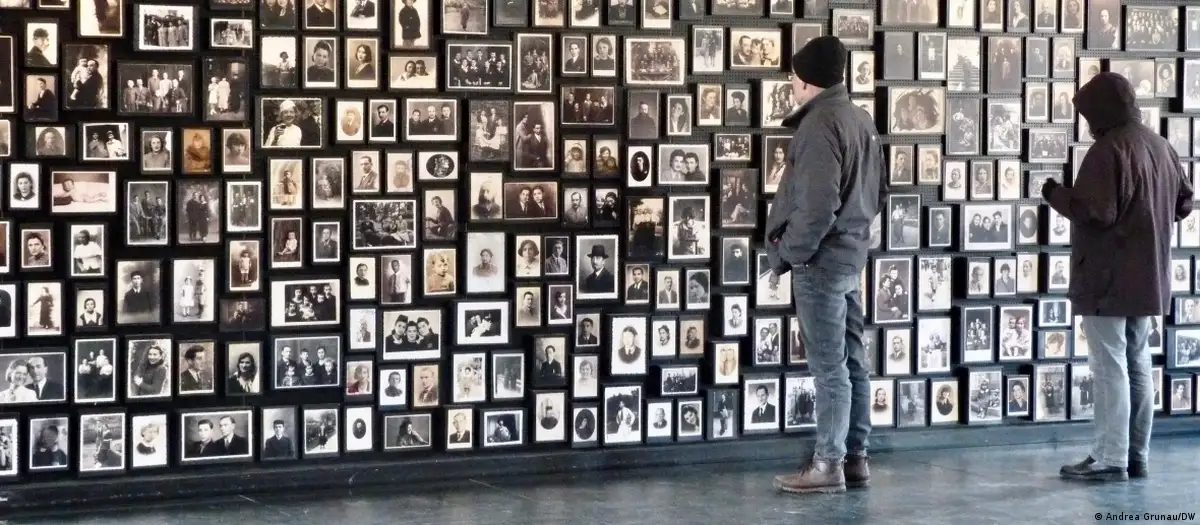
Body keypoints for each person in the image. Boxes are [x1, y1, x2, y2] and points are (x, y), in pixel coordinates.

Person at [1045, 73, 1193, 482]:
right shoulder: (1160, 146)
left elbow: (1096, 212)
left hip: (1106, 280)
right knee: (1138, 363)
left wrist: (1054, 193)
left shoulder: (1107, 150)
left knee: (1110, 367)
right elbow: (1185, 202)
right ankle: (1135, 455)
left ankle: (1111, 459)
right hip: (1149, 278)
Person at [766, 37, 887, 495]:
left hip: (821, 263)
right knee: (852, 361)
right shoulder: (859, 119)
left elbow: (816, 207)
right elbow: (878, 194)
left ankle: (828, 464)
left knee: (829, 368)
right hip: (850, 258)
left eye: (794, 76)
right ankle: (855, 458)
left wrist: (792, 253)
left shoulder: (819, 126)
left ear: (804, 80)